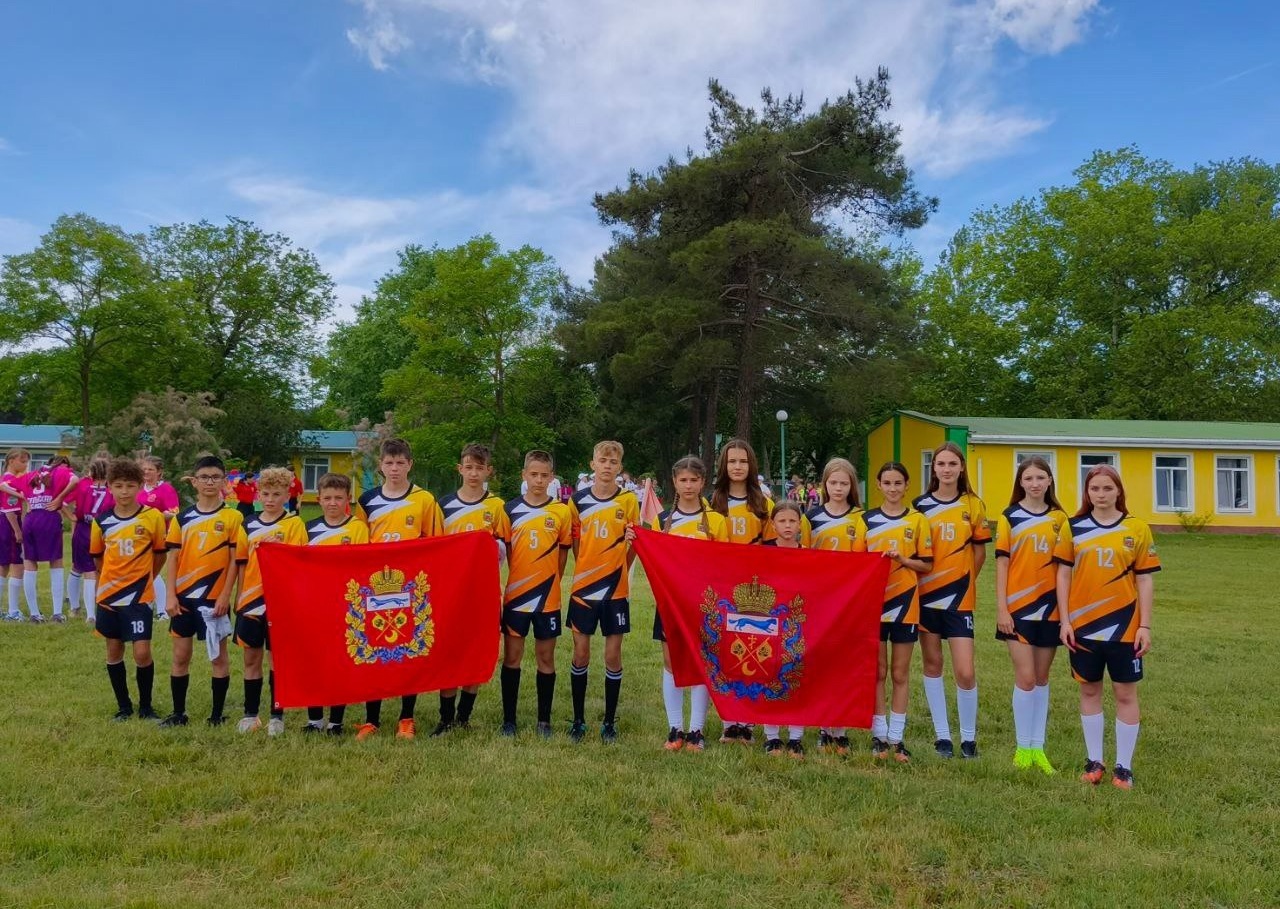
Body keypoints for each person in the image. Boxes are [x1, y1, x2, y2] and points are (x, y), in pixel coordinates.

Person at [1055, 465, 1159, 790]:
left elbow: (1145, 579)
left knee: (1125, 693)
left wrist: (1144, 625)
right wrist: (1065, 620)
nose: (1101, 494)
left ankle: (1123, 767)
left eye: (1107, 488)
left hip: (1124, 628)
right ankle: (1094, 761)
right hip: (1083, 627)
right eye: (1094, 489)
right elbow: (1063, 575)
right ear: (1087, 493)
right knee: (1089, 690)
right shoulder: (1072, 527)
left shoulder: (1137, 528)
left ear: (1118, 491)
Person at [636, 455, 728, 752]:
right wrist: (636, 538)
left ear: (703, 482)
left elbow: (724, 565)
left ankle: (696, 730)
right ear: (674, 482)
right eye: (683, 480)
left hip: (703, 605)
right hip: (670, 604)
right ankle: (675, 727)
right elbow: (654, 560)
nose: (688, 485)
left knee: (701, 663)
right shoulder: (662, 521)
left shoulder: (717, 521)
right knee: (671, 662)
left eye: (694, 480)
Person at [353, 438, 444, 739]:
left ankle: (407, 717)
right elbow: (358, 544)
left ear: (409, 465)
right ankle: (371, 719)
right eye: (389, 463)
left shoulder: (424, 500)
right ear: (380, 465)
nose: (394, 468)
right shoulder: (366, 501)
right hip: (376, 588)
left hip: (411, 588)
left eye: (400, 463)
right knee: (373, 649)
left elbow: (436, 543)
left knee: (408, 651)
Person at [912, 442, 991, 759]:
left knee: (965, 671)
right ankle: (942, 737)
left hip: (959, 600)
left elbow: (980, 552)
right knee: (933, 664)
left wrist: (964, 581)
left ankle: (969, 740)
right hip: (926, 598)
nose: (946, 469)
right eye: (941, 464)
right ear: (933, 469)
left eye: (952, 464)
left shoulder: (973, 504)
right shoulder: (919, 506)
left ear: (961, 468)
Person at [157, 455, 247, 729]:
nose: (210, 482)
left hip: (213, 599)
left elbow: (235, 560)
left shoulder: (233, 517)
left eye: (215, 477)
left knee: (218, 657)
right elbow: (173, 558)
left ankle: (217, 715)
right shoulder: (182, 518)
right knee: (180, 656)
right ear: (194, 482)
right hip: (184, 598)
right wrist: (170, 595)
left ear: (224, 482)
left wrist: (225, 595)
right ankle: (178, 713)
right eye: (204, 477)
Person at [853, 462, 932, 763]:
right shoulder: (866, 520)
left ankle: (897, 738)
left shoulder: (917, 520)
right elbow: (857, 565)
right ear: (878, 485)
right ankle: (879, 734)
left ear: (907, 485)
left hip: (906, 605)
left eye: (898, 483)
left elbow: (927, 564)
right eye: (887, 483)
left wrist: (903, 560)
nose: (893, 488)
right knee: (878, 671)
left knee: (900, 672)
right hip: (874, 606)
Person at [995, 456, 1068, 774]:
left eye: (1040, 478)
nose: (1035, 484)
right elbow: (1002, 565)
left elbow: (1065, 570)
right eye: (1028, 478)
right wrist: (1002, 608)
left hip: (1050, 610)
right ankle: (1022, 748)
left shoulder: (1060, 519)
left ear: (1049, 481)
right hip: (1018, 609)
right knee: (1025, 678)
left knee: (1041, 678)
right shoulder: (1009, 517)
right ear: (1020, 483)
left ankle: (1038, 748)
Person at [432, 444, 509, 737]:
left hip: (483, 592)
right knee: (449, 652)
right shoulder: (444, 505)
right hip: (451, 592)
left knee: (476, 650)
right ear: (460, 469)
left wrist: (491, 550)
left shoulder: (497, 507)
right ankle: (445, 718)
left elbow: (504, 548)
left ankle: (464, 716)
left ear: (489, 471)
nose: (474, 473)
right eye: (469, 467)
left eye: (479, 468)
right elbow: (435, 548)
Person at [567, 440, 640, 744]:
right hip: (584, 589)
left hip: (615, 590)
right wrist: (588, 569)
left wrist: (618, 568)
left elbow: (634, 543)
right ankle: (579, 720)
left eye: (613, 462)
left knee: (612, 654)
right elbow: (575, 545)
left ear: (620, 467)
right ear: (593, 464)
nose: (607, 466)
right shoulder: (577, 501)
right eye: (602, 461)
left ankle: (609, 722)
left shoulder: (628, 500)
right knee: (580, 653)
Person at [499, 450, 572, 738]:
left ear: (552, 478)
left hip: (547, 598)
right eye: (534, 475)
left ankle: (544, 721)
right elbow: (505, 551)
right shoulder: (509, 510)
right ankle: (509, 720)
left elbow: (563, 554)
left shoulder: (561, 511)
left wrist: (551, 581)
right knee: (512, 657)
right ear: (524, 475)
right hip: (516, 597)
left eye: (544, 475)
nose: (539, 480)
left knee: (546, 657)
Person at [90, 457, 167, 721]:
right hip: (109, 596)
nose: (124, 491)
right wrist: (112, 580)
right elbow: (98, 558)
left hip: (139, 596)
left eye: (130, 485)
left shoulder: (153, 517)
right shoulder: (101, 521)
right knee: (114, 650)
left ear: (140, 486)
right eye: (119, 485)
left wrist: (145, 578)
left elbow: (160, 554)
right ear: (110, 487)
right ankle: (124, 707)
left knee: (142, 652)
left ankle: (146, 707)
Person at [233, 467, 307, 735]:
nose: (271, 499)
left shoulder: (294, 524)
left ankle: (277, 715)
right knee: (251, 659)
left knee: (277, 661)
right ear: (258, 494)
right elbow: (242, 563)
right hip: (251, 602)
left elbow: (299, 564)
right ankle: (250, 714)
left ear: (287, 495)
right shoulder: (247, 524)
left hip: (280, 603)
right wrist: (240, 598)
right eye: (266, 494)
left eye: (277, 494)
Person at [710, 438, 774, 745]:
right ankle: (729, 721)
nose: (737, 467)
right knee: (727, 653)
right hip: (722, 588)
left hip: (754, 592)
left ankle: (747, 721)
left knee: (752, 652)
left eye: (743, 461)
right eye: (732, 461)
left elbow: (775, 550)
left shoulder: (764, 504)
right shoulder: (712, 503)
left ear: (751, 465)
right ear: (724, 465)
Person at [303, 472, 370, 735]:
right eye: (328, 498)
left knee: (340, 661)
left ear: (348, 499)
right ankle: (314, 719)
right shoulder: (307, 529)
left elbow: (363, 565)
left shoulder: (357, 528)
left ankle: (335, 721)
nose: (333, 503)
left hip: (345, 605)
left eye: (338, 498)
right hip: (314, 605)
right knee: (314, 661)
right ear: (318, 499)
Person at [806, 456, 864, 755]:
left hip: (849, 602)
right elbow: (802, 558)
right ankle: (823, 725)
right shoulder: (811, 518)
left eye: (844, 483)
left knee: (844, 664)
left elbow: (865, 559)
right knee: (823, 663)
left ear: (852, 486)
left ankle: (840, 729)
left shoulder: (861, 518)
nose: (838, 488)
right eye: (833, 482)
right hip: (820, 600)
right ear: (824, 484)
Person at [761, 500, 806, 757]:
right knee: (770, 675)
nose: (787, 526)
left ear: (800, 524)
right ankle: (772, 736)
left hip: (798, 624)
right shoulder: (763, 551)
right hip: (770, 623)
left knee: (796, 676)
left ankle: (796, 736)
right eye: (782, 521)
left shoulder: (809, 554)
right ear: (773, 524)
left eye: (792, 521)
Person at [17, 455, 80, 623]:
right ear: (61, 464)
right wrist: (59, 498)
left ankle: (34, 614)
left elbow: (6, 485)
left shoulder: (32, 474)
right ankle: (57, 613)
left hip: (31, 520)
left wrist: (27, 500)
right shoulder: (61, 471)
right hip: (49, 518)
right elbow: (75, 480)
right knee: (56, 563)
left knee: (30, 564)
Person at [64, 456, 113, 625]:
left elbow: (63, 502)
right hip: (104, 531)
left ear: (92, 471)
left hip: (83, 529)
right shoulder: (112, 488)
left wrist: (72, 517)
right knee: (96, 570)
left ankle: (76, 608)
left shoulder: (83, 484)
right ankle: (92, 613)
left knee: (79, 568)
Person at [138, 456, 181, 622]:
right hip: (140, 535)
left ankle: (162, 610)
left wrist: (158, 516)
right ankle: (148, 605)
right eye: (144, 469)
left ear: (159, 472)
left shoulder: (166, 489)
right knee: (144, 571)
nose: (146, 472)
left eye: (150, 469)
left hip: (158, 535)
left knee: (151, 571)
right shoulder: (140, 489)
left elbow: (175, 512)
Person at [1, 448, 30, 621]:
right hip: (10, 524)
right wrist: (18, 531)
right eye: (23, 461)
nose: (25, 465)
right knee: (18, 565)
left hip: (4, 524)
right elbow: (9, 509)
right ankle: (13, 611)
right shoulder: (10, 481)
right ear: (11, 461)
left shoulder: (6, 480)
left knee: (3, 566)